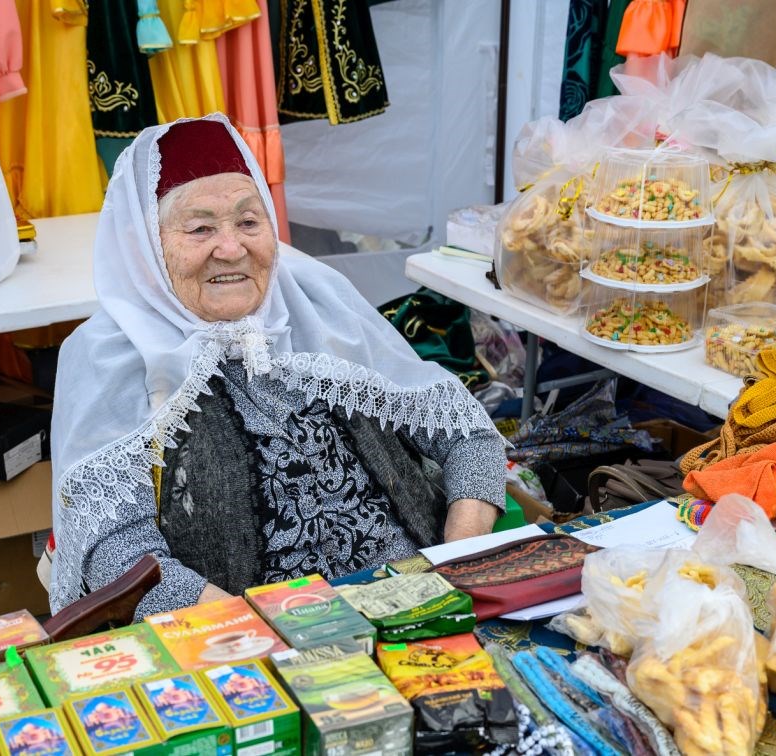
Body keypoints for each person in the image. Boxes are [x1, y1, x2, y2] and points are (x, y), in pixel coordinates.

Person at [50, 115, 506, 616]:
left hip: (421, 597)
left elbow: (469, 435)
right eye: (200, 228)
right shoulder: (108, 358)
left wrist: (455, 561)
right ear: (145, 246)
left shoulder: (318, 304)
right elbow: (120, 557)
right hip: (251, 640)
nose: (232, 248)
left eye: (249, 221)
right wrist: (262, 634)